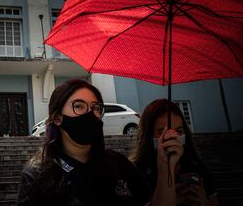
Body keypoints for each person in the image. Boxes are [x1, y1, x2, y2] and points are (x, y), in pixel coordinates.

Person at [16, 79, 181, 206]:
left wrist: (166, 166)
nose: (90, 114)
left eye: (96, 108)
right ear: (58, 118)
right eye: (79, 106)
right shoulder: (37, 174)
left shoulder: (118, 164)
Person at [130, 98, 219, 206]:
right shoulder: (137, 171)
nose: (173, 137)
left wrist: (204, 203)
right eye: (163, 132)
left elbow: (214, 202)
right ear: (148, 135)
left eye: (179, 131)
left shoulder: (195, 165)